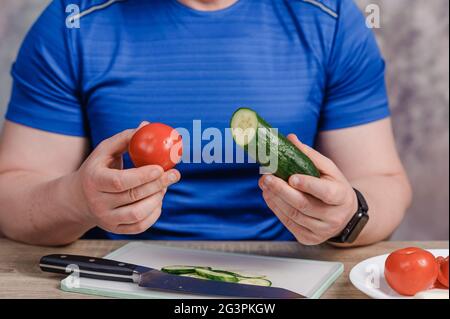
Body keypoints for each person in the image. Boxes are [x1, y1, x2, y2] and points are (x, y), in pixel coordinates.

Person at [0, 0, 412, 246]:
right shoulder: (72, 20)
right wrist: (78, 199)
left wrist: (347, 216)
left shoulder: (332, 18)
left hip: (289, 273)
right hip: (118, 275)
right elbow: (12, 195)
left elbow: (383, 180)